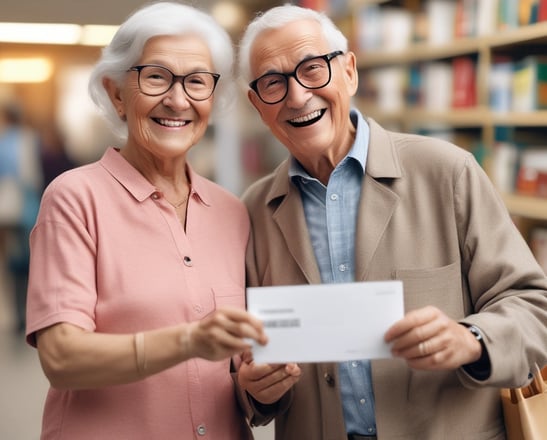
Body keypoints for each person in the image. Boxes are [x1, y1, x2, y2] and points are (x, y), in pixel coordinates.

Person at [234, 5, 547, 440]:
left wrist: (472, 339)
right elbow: (247, 363)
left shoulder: (447, 172)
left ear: (349, 72)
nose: (297, 96)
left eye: (312, 69)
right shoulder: (252, 212)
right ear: (257, 105)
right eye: (273, 82)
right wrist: (256, 390)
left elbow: (533, 303)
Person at [25, 3, 266, 439]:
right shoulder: (74, 198)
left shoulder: (232, 212)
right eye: (156, 77)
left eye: (196, 82)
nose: (178, 99)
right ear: (117, 93)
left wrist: (256, 387)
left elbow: (232, 369)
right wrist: (189, 341)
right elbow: (60, 358)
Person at [0, 101, 42, 333]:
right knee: (30, 262)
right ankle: (29, 313)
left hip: (8, 208)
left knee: (12, 264)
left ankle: (18, 315)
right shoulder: (30, 140)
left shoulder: (6, 142)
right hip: (29, 207)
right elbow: (34, 177)